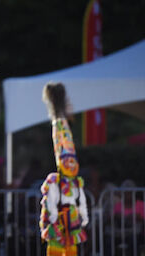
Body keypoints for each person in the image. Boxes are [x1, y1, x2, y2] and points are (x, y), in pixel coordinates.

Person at [39, 82, 89, 256]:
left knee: (71, 250)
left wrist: (83, 213)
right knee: (56, 250)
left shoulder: (76, 182)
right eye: (67, 161)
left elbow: (80, 199)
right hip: (59, 221)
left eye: (73, 161)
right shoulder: (55, 181)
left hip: (72, 220)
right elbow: (51, 202)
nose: (71, 165)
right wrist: (52, 218)